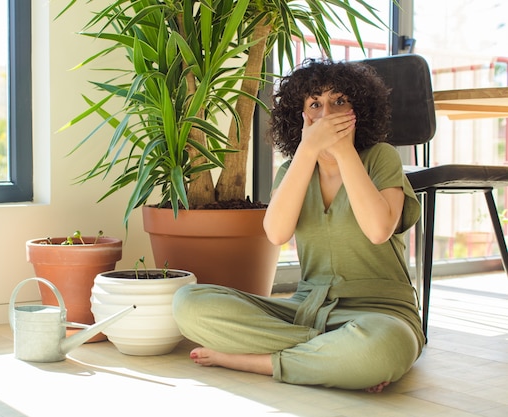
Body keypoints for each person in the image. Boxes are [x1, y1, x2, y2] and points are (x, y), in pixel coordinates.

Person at [172, 59, 424, 393]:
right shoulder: (294, 169)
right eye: (315, 104)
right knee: (188, 303)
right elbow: (276, 233)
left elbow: (378, 230)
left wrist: (343, 151)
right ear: (300, 117)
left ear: (357, 109)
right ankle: (336, 356)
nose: (327, 113)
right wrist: (308, 149)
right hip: (306, 310)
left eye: (339, 102)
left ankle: (260, 361)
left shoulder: (380, 157)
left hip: (380, 313)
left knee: (382, 345)